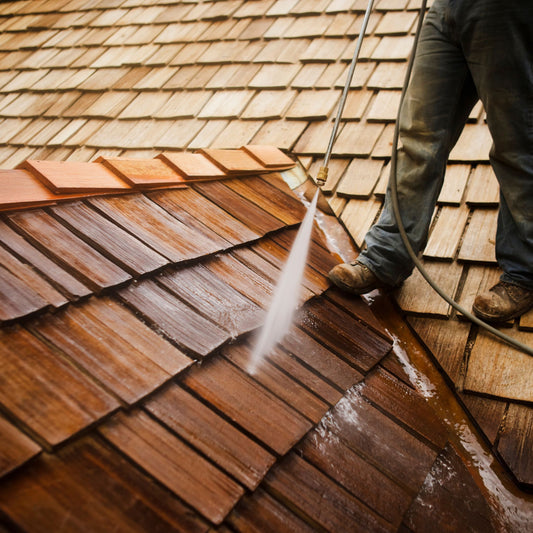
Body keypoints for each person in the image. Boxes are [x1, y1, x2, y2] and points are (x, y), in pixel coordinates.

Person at [328, 0, 533, 323]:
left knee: (517, 144)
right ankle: (387, 258)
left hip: (505, 10)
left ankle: (525, 273)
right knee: (417, 137)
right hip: (447, 9)